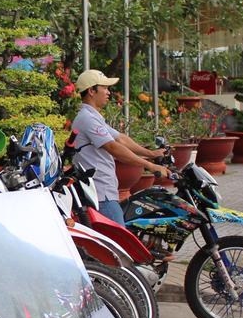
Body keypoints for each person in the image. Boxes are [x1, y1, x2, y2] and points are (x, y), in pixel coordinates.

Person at [70, 69, 170, 224]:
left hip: (105, 191)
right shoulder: (87, 119)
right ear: (91, 91)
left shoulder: (93, 117)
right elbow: (113, 147)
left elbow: (121, 139)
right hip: (101, 194)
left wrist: (151, 153)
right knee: (120, 245)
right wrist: (150, 166)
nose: (108, 92)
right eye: (104, 88)